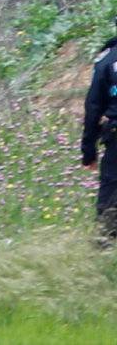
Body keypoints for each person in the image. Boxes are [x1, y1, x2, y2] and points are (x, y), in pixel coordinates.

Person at [81, 28, 117, 242]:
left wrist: (88, 151)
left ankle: (107, 245)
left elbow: (93, 108)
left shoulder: (107, 61)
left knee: (112, 194)